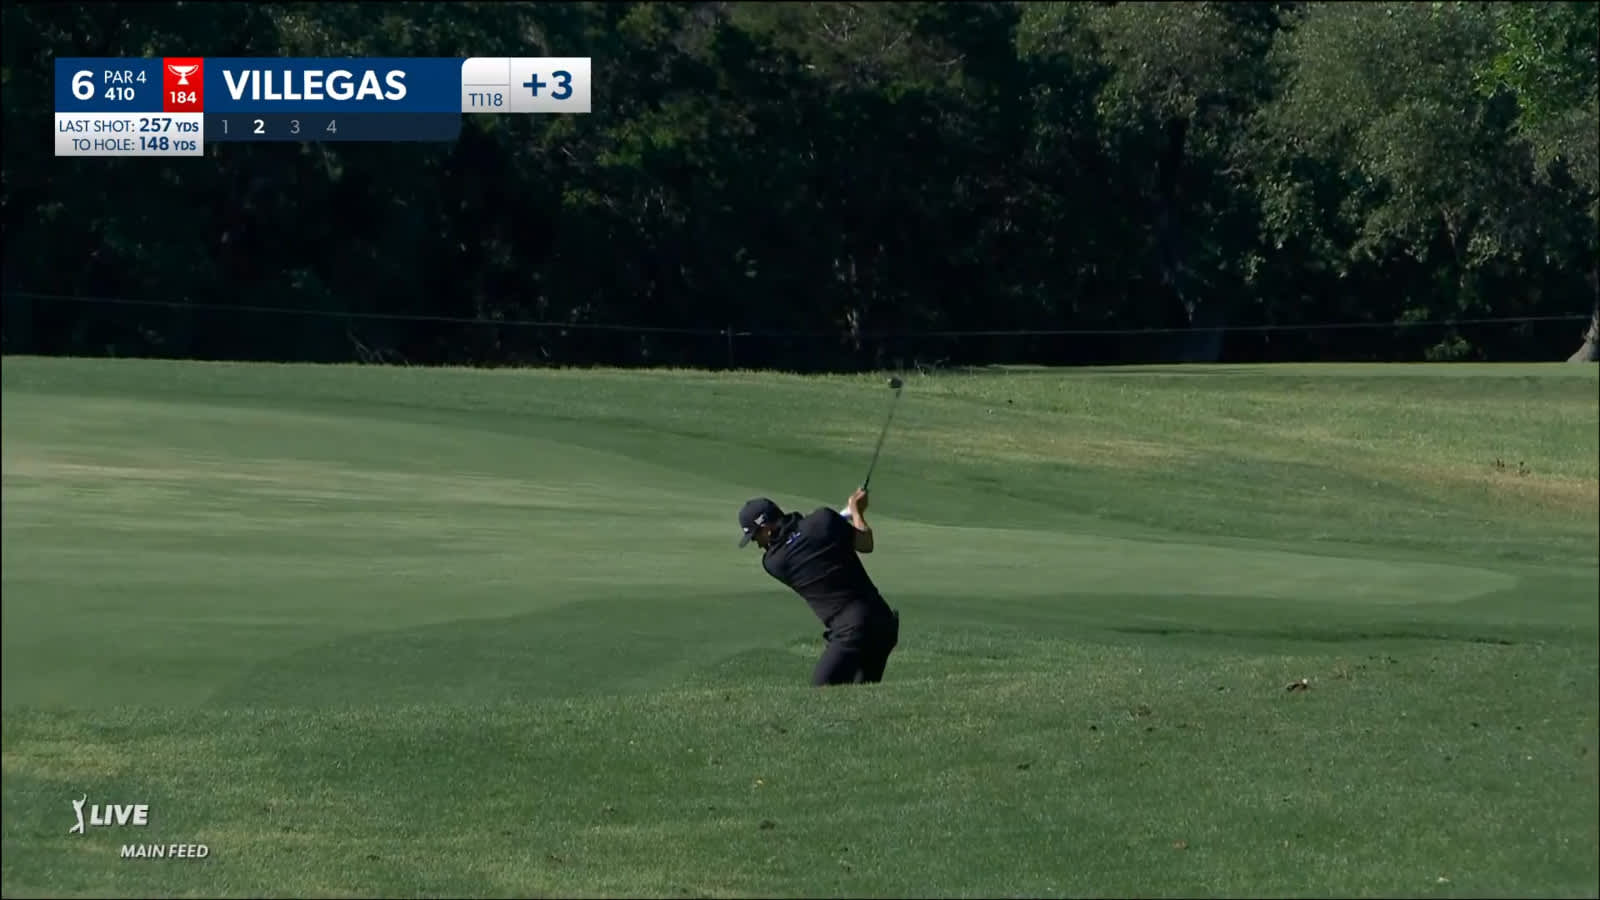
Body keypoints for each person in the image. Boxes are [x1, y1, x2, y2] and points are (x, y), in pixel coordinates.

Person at [737, 488, 900, 687]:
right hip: (882, 622)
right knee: (862, 694)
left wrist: (843, 515)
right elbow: (866, 543)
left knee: (820, 693)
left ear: (767, 529)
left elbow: (804, 541)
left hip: (851, 631)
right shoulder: (823, 520)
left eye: (755, 537)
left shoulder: (774, 562)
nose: (757, 544)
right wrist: (856, 511)